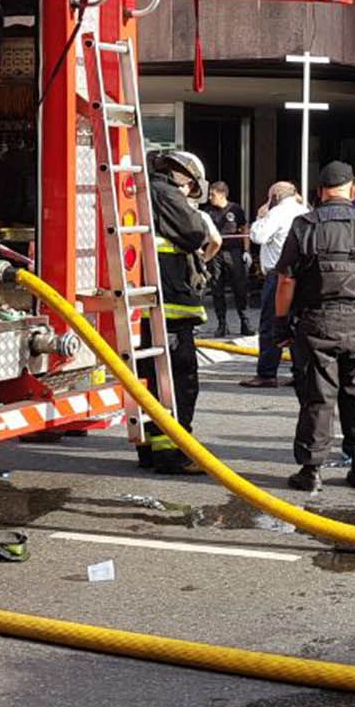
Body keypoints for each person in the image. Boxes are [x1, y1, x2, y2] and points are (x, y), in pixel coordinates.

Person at [277, 161, 355, 491]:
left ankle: (311, 472)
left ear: (319, 192)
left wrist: (280, 324)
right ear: (353, 189)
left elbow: (286, 280)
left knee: (317, 397)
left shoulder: (305, 225)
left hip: (317, 324)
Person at [141, 149, 220, 475]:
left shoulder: (148, 191)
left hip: (158, 307)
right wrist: (198, 216)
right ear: (181, 174)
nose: (188, 193)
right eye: (189, 186)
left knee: (154, 382)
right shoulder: (165, 193)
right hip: (169, 309)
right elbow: (193, 233)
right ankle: (174, 453)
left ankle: (153, 450)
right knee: (179, 382)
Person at [238, 181, 307, 388]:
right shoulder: (305, 211)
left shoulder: (276, 213)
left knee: (271, 324)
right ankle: (300, 372)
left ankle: (267, 373)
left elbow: (258, 236)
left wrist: (261, 216)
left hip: (278, 276)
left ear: (274, 197)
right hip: (302, 276)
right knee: (298, 325)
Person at [200, 181, 252, 338]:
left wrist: (246, 250)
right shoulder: (208, 212)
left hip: (234, 251)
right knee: (217, 288)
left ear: (222, 194)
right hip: (216, 253)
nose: (210, 197)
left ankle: (245, 322)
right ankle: (222, 324)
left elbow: (244, 228)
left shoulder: (235, 209)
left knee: (240, 288)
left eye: (212, 194)